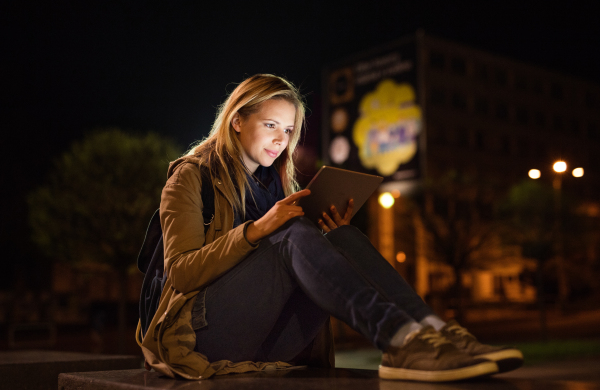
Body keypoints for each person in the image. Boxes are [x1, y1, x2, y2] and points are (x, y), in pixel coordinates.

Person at [138, 74, 523, 382]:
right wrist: (257, 229)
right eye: (270, 124)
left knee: (343, 235)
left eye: (288, 130)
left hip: (264, 333)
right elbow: (183, 273)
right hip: (196, 333)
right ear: (237, 121)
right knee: (289, 232)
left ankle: (432, 331)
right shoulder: (191, 176)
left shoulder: (275, 186)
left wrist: (327, 236)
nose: (280, 139)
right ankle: (399, 339)